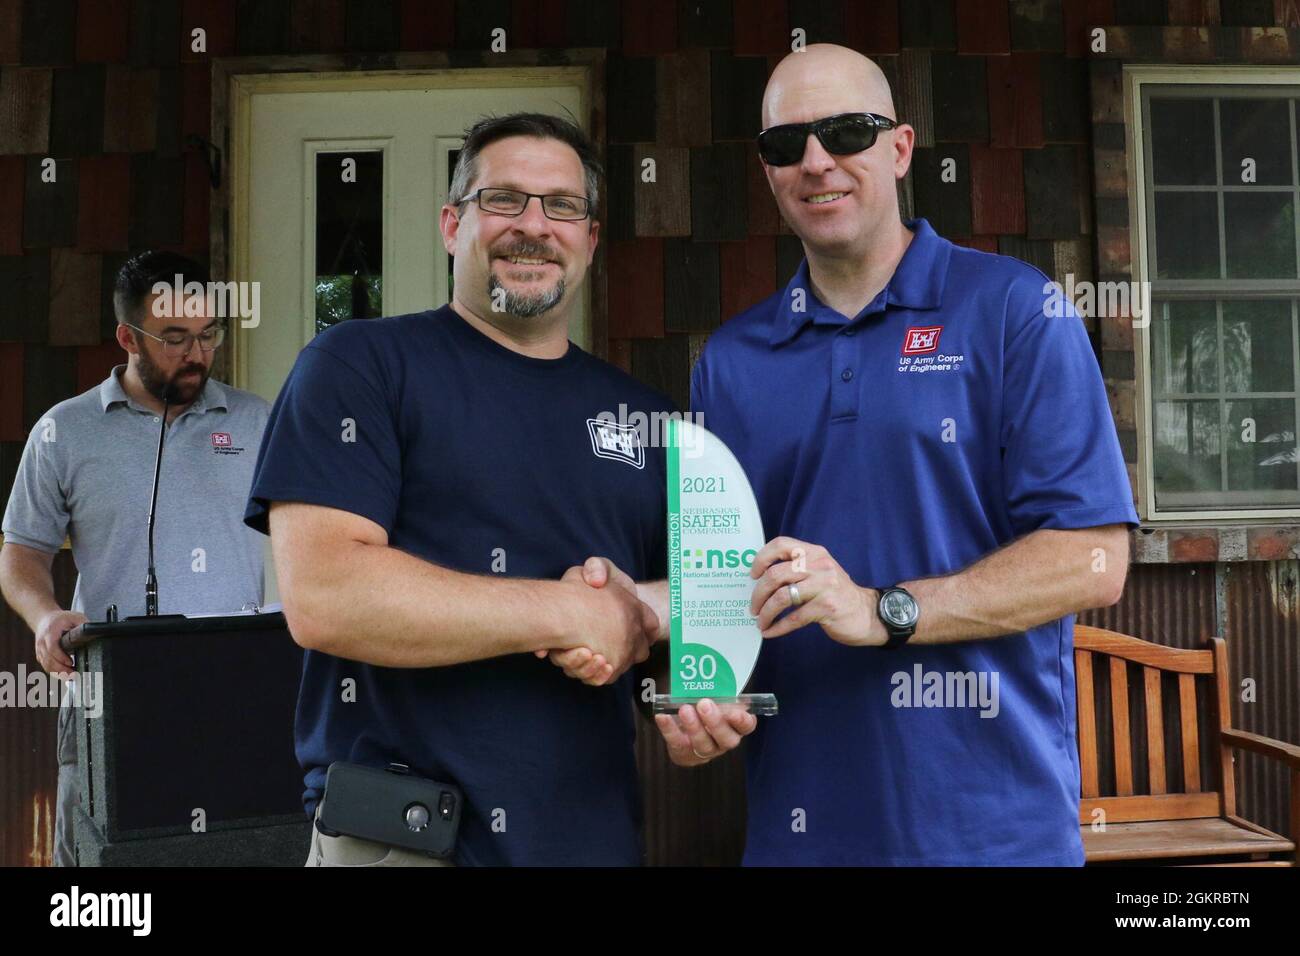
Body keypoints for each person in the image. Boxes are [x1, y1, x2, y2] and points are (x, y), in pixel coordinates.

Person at [679, 45, 1139, 865]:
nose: (816, 162)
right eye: (787, 145)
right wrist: (702, 701)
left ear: (899, 148)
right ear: (767, 171)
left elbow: (1095, 561)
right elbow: (719, 587)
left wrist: (884, 611)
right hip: (802, 832)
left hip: (994, 834)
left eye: (845, 132)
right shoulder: (731, 360)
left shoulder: (1014, 311)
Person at [245, 112, 725, 867]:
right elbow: (327, 594)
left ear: (591, 238)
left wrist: (692, 698)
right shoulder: (359, 366)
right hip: (404, 844)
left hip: (590, 841)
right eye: (503, 199)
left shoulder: (647, 422)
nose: (533, 225)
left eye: (562, 206)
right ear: (450, 224)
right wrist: (569, 611)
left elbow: (701, 607)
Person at [0, 251, 269, 866]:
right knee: (101, 872)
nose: (196, 353)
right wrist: (44, 616)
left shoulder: (258, 422)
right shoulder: (63, 432)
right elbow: (21, 556)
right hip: (106, 693)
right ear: (127, 336)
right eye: (174, 338)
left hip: (235, 690)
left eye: (209, 335)